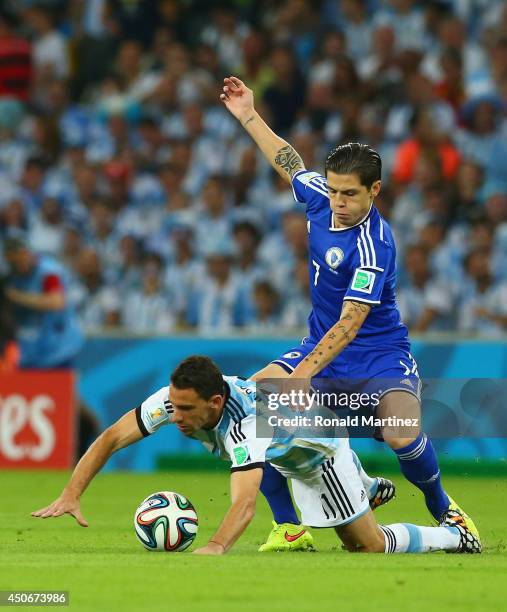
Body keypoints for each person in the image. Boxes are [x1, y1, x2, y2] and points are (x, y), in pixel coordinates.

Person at [219, 76, 478, 551]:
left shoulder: (374, 246)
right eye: (334, 191)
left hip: (377, 355)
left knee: (402, 433)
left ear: (374, 190)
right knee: (253, 407)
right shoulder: (321, 198)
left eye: (349, 195)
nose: (337, 202)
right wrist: (249, 116)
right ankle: (289, 526)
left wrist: (303, 374)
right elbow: (290, 163)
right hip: (321, 348)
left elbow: (351, 323)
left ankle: (444, 509)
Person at [32, 356, 481, 555]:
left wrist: (213, 547)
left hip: (319, 452)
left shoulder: (247, 424)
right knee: (260, 460)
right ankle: (365, 488)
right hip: (287, 446)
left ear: (213, 401)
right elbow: (111, 436)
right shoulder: (178, 399)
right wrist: (72, 493)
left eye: (186, 409)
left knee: (367, 546)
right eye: (174, 404)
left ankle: (453, 536)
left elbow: (243, 504)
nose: (176, 415)